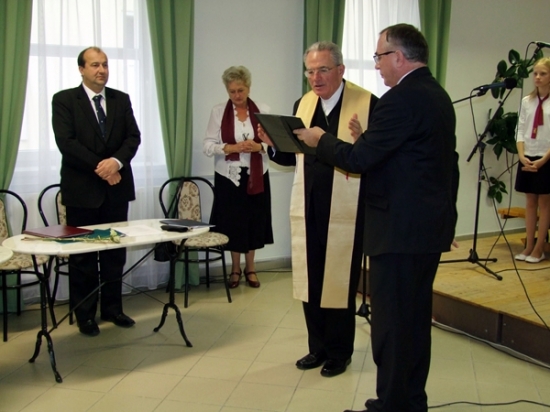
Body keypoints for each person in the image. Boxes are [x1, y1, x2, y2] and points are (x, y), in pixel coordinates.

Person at [295, 24, 459, 411]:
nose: (377, 65)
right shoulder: (436, 94)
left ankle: (393, 404)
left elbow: (359, 160)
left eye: (379, 57)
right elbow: (419, 161)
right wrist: (365, 140)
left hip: (400, 232)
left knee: (393, 327)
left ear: (398, 57)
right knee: (413, 324)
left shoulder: (398, 99)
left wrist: (322, 140)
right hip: (425, 228)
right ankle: (408, 400)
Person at [258, 41, 378, 378]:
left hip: (347, 208)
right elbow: (293, 156)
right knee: (310, 277)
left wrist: (363, 140)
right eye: (310, 71)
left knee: (338, 280)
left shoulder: (368, 104)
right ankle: (318, 347)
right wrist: (272, 145)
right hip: (308, 202)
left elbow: (374, 158)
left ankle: (339, 352)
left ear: (341, 70)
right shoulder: (303, 104)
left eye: (323, 69)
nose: (316, 78)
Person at [52, 46, 141, 336]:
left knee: (114, 254)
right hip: (82, 192)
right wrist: (103, 168)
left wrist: (116, 163)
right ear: (81, 69)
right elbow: (67, 142)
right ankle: (85, 315)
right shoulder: (65, 100)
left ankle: (113, 309)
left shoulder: (120, 99)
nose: (101, 70)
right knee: (84, 257)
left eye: (104, 64)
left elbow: (133, 137)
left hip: (116, 191)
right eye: (94, 65)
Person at [203, 66, 273, 289]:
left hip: (257, 175)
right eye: (232, 91)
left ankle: (250, 268)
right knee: (233, 224)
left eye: (240, 90)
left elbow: (273, 143)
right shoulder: (218, 112)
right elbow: (207, 145)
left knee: (254, 222)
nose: (237, 95)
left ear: (248, 88)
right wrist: (229, 147)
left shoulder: (263, 110)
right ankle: (235, 269)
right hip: (228, 177)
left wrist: (258, 147)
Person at [514, 57, 550, 264]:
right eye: (535, 73)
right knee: (530, 201)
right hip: (527, 154)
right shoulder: (527, 101)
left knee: (544, 202)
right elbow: (520, 129)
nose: (537, 77)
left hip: (546, 156)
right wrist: (521, 155)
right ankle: (528, 245)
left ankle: (539, 247)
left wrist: (543, 160)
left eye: (543, 73)